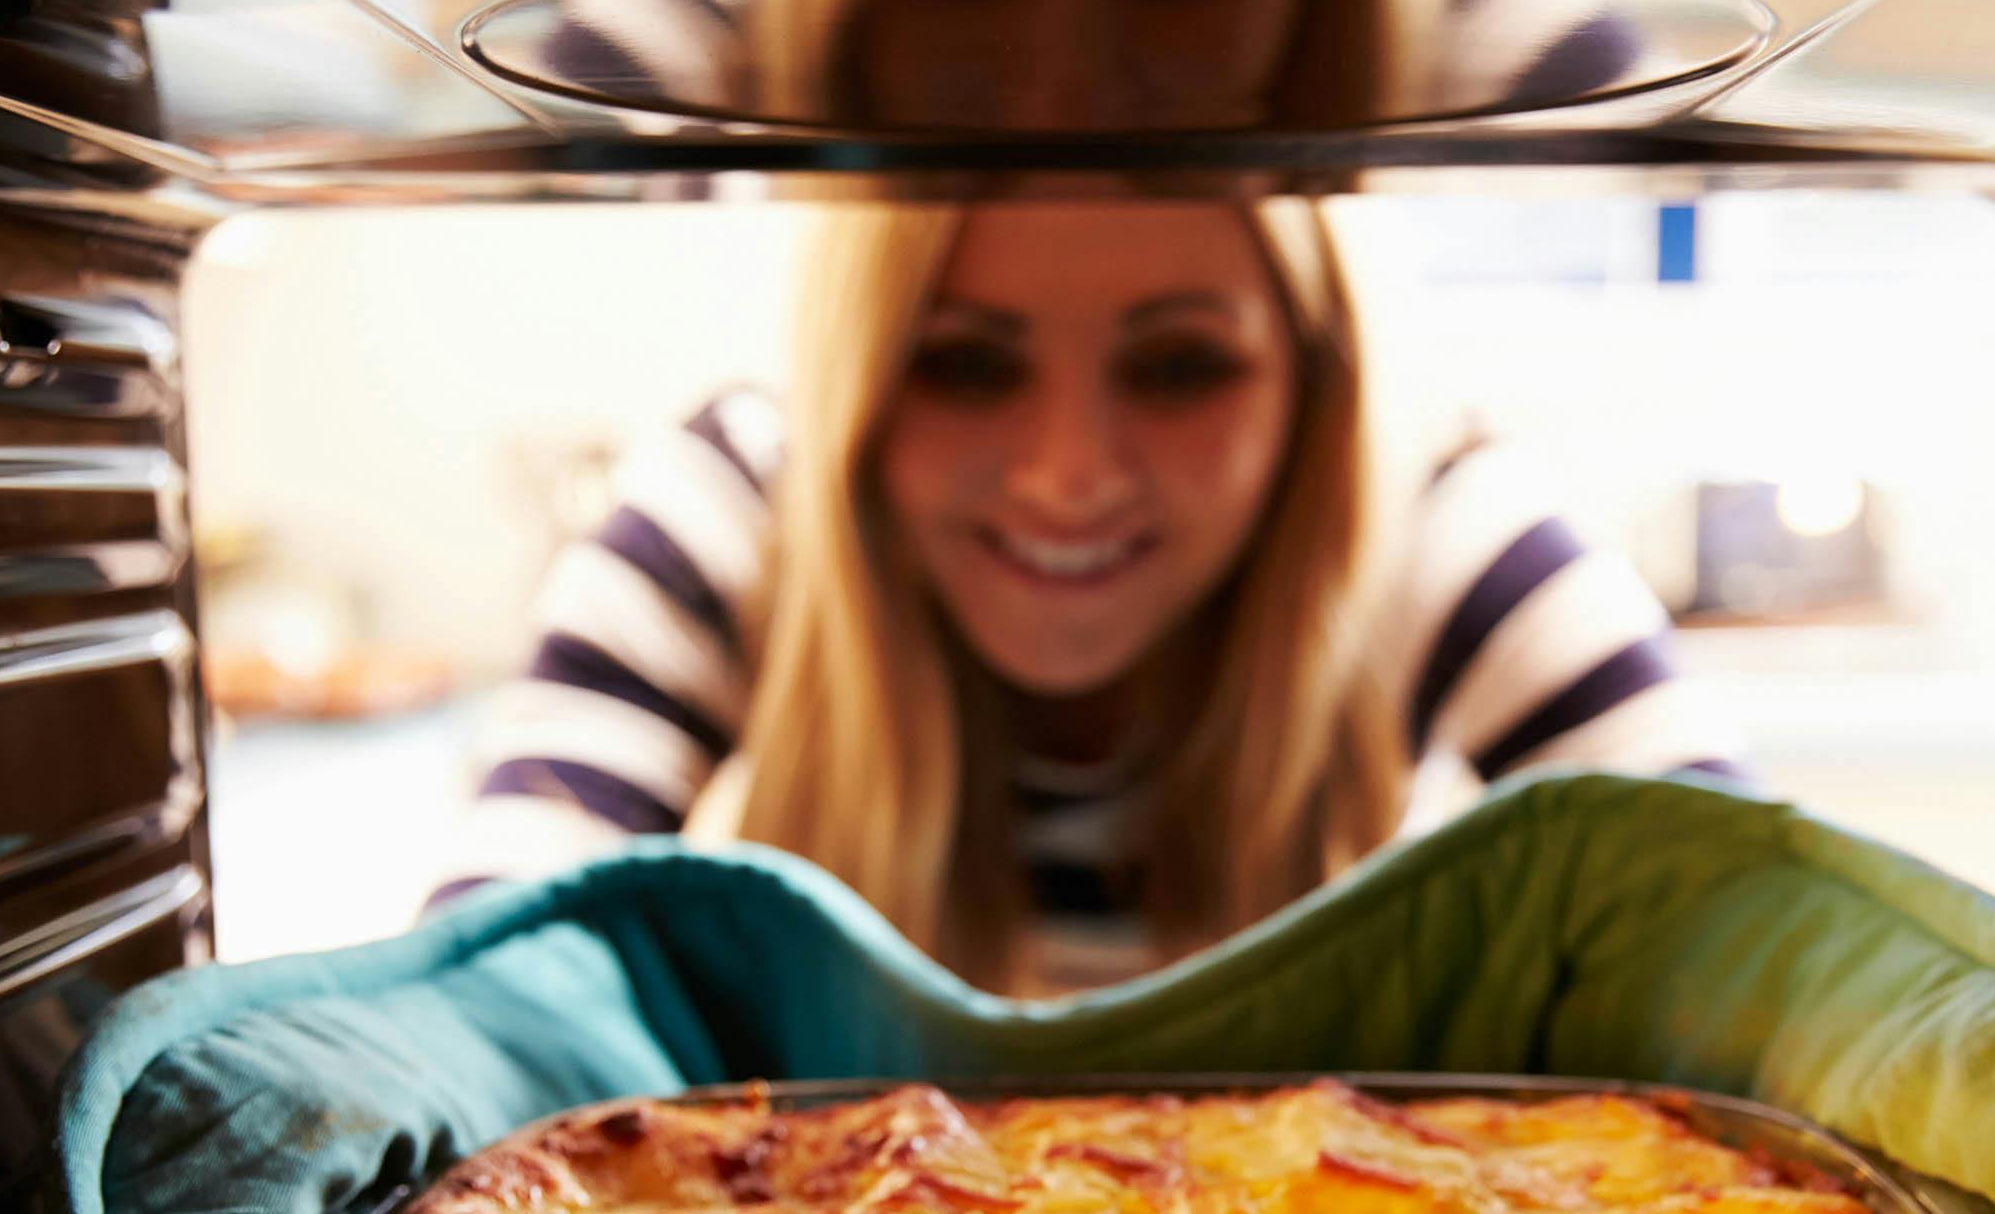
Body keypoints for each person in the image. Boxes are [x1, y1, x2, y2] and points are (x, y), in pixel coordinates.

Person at [435, 199, 1739, 994]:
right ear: (856, 386)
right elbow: (492, 957)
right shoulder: (742, 506)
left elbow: (1746, 928)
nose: (1068, 477)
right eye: (963, 365)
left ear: (1312, 385)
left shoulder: (1432, 520)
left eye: (1178, 366)